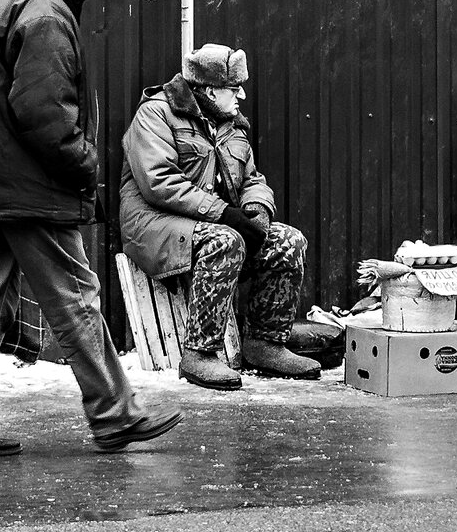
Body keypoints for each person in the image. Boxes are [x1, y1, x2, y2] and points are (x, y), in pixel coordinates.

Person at [0, 0, 184, 457]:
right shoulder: (45, 12)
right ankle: (116, 414)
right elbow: (43, 114)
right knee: (76, 300)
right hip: (29, 191)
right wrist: (87, 164)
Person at [119, 43, 321, 390]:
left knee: (288, 240)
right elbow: (158, 183)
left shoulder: (232, 125)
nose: (241, 94)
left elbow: (252, 179)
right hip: (153, 224)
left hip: (208, 220)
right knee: (224, 240)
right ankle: (199, 354)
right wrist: (224, 214)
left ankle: (265, 343)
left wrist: (256, 211)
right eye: (234, 88)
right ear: (211, 90)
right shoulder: (156, 114)